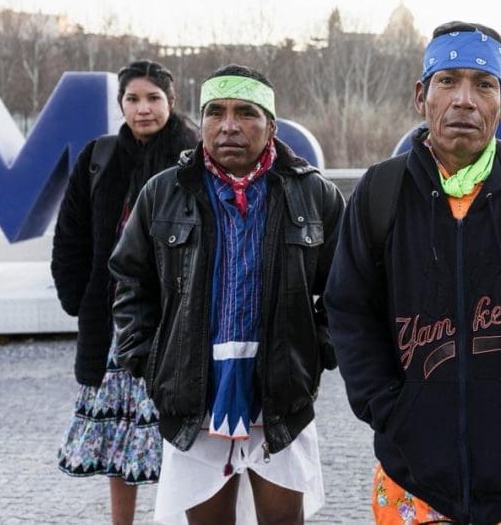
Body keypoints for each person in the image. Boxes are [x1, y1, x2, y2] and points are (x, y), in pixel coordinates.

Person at [324, 21, 501, 523]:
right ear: (421, 95)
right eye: (447, 81)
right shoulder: (379, 194)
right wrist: (391, 411)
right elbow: (349, 311)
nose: (464, 100)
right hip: (412, 481)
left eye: (483, 84)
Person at [109, 64, 345, 524]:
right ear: (201, 123)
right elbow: (129, 281)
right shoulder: (164, 193)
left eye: (246, 113)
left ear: (271, 126)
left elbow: (346, 290)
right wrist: (149, 358)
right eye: (216, 112)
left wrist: (314, 353)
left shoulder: (314, 194)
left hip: (279, 399)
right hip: (194, 397)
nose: (230, 125)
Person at [53, 59, 198, 524]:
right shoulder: (99, 156)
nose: (143, 109)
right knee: (120, 436)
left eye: (153, 98)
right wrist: (80, 299)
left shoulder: (194, 158)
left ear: (171, 103)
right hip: (114, 323)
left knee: (185, 435)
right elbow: (70, 233)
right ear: (120, 104)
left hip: (176, 320)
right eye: (133, 99)